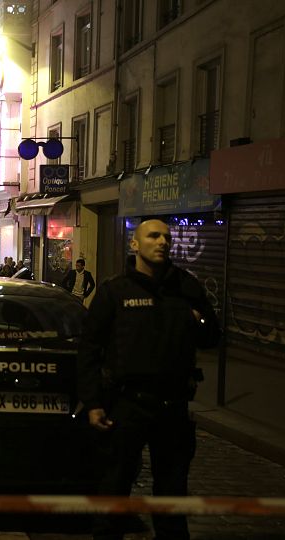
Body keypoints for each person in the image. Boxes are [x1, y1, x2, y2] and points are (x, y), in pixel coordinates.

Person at [77, 219, 220, 540]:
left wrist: (198, 319)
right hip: (127, 405)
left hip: (173, 407)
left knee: (172, 495)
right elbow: (89, 349)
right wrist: (93, 402)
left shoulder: (186, 287)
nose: (162, 242)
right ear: (135, 245)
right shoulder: (115, 291)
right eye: (153, 236)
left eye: (167, 237)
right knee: (114, 489)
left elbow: (212, 337)